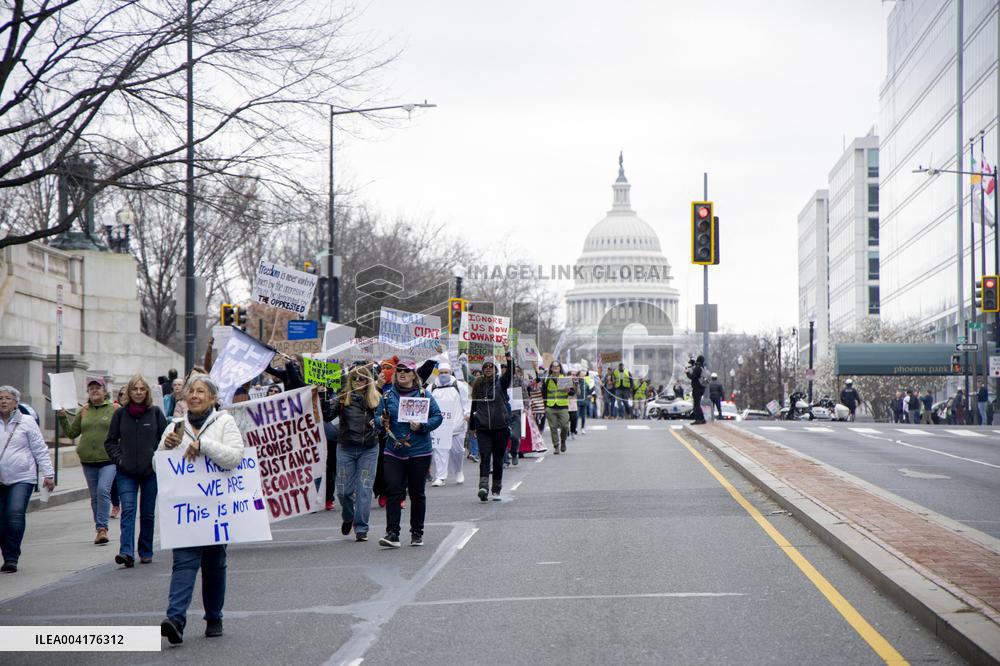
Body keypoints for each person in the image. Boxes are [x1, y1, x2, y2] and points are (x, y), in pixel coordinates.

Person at [158, 374, 245, 645]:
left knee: (214, 564)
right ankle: (175, 620)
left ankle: (214, 617)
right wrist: (165, 448)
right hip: (186, 512)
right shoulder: (175, 426)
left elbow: (235, 457)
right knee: (183, 562)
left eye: (200, 392)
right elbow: (157, 466)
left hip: (215, 510)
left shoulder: (224, 422)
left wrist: (204, 445)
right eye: (191, 392)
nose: (194, 396)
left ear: (212, 398)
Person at [375, 359, 443, 548]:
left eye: (406, 371)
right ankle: (392, 534)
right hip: (394, 451)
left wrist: (423, 426)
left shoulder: (424, 395)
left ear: (414, 375)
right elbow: (377, 416)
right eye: (399, 371)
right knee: (393, 491)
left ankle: (416, 532)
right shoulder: (388, 396)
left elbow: (438, 417)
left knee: (417, 493)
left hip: (419, 452)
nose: (402, 373)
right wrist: (382, 421)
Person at [104, 375, 167, 568]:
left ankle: (146, 551)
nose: (138, 392)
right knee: (128, 510)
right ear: (129, 392)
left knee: (147, 513)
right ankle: (126, 552)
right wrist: (120, 459)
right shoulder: (120, 415)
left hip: (150, 472)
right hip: (126, 472)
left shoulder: (155, 413)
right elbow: (110, 441)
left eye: (142, 389)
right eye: (135, 389)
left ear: (147, 392)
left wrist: (158, 457)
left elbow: (165, 439)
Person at [0, 386, 55, 573]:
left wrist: (49, 474)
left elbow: (40, 449)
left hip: (22, 477)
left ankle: (11, 558)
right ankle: (7, 551)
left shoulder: (27, 422)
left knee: (15, 515)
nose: (3, 401)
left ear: (16, 403)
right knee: (1, 521)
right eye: (0, 398)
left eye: (7, 398)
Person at [58, 377, 117, 545]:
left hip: (109, 459)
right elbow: (72, 433)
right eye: (91, 388)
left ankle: (103, 528)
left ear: (104, 391)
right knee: (94, 496)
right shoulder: (84, 411)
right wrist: (62, 418)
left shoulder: (114, 409)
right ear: (88, 393)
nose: (95, 391)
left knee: (102, 491)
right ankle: (99, 529)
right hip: (88, 461)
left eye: (98, 388)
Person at [329, 364, 380, 542]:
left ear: (368, 381)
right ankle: (348, 517)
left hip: (369, 448)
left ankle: (361, 528)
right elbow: (327, 415)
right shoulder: (342, 399)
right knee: (343, 491)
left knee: (364, 489)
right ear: (349, 380)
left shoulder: (376, 398)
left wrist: (379, 423)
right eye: (355, 378)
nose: (359, 381)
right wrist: (321, 394)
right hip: (346, 447)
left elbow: (386, 419)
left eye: (362, 378)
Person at [469, 354, 512, 501]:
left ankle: (496, 488)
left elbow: (510, 372)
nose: (488, 369)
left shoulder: (501, 382)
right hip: (483, 428)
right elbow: (474, 405)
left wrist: (508, 355)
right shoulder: (478, 384)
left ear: (495, 368)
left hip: (501, 427)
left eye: (490, 366)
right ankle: (483, 487)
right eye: (485, 367)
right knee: (485, 457)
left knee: (498, 459)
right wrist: (472, 426)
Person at [430, 362, 471, 485]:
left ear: (450, 372)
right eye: (441, 372)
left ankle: (458, 471)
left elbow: (467, 401)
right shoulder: (432, 387)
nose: (443, 375)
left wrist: (467, 414)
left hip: (457, 424)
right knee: (439, 451)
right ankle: (440, 476)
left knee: (457, 451)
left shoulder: (459, 386)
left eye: (446, 372)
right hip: (439, 426)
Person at [542, 360, 574, 454]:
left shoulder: (564, 378)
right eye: (554, 366)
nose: (555, 368)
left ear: (560, 368)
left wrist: (569, 391)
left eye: (557, 366)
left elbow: (572, 392)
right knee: (553, 427)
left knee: (565, 426)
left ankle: (563, 441)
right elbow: (544, 394)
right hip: (550, 407)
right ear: (551, 368)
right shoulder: (547, 379)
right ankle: (556, 446)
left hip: (562, 406)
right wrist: (545, 406)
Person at [686, 357, 707, 424]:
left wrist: (687, 373)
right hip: (702, 388)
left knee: (696, 405)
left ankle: (698, 419)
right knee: (698, 404)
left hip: (697, 388)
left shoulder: (697, 368)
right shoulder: (702, 368)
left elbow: (693, 376)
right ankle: (702, 419)